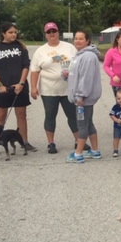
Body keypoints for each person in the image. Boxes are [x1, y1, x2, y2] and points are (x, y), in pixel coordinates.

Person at [30, 22, 81, 154]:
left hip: (68, 89)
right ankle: (51, 143)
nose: (52, 34)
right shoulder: (40, 51)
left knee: (72, 116)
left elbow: (78, 65)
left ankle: (78, 141)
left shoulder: (69, 47)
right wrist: (33, 87)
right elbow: (35, 70)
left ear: (58, 32)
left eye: (54, 31)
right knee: (50, 116)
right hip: (49, 90)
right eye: (49, 32)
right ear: (45, 34)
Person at [0, 23, 35, 157]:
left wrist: (21, 83)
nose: (14, 34)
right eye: (10, 32)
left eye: (15, 32)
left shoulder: (21, 48)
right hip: (2, 88)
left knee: (21, 115)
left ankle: (24, 142)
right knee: (0, 116)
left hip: (19, 88)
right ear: (3, 34)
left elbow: (26, 66)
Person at [66, 30, 103, 163]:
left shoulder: (88, 56)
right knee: (88, 123)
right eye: (76, 38)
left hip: (83, 99)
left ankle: (78, 154)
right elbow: (77, 75)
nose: (77, 41)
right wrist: (67, 75)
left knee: (81, 125)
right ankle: (95, 151)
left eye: (81, 38)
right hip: (82, 98)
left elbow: (86, 78)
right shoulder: (79, 55)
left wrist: (80, 96)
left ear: (87, 41)